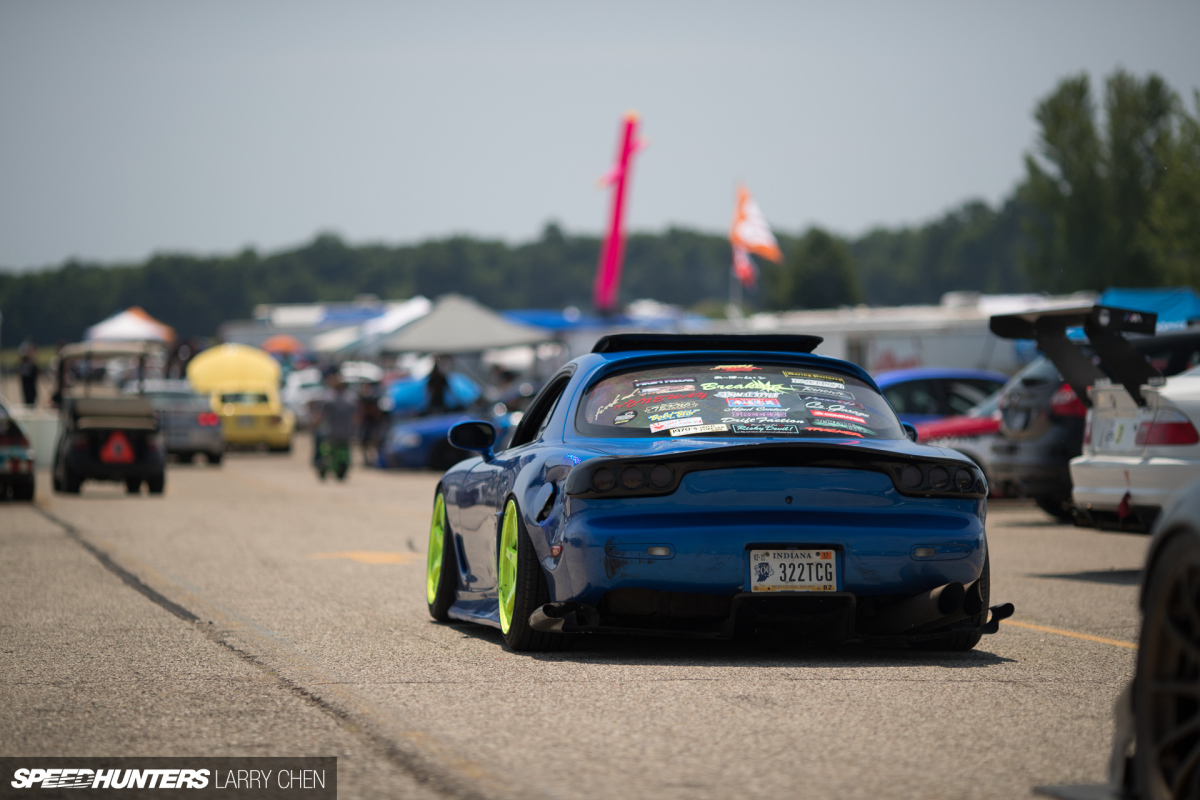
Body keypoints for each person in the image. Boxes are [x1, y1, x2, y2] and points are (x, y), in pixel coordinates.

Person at [316, 374, 358, 481]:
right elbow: (356, 417)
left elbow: (320, 416)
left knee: (320, 440)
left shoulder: (328, 399)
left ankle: (320, 461)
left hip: (331, 433)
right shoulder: (351, 399)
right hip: (346, 433)